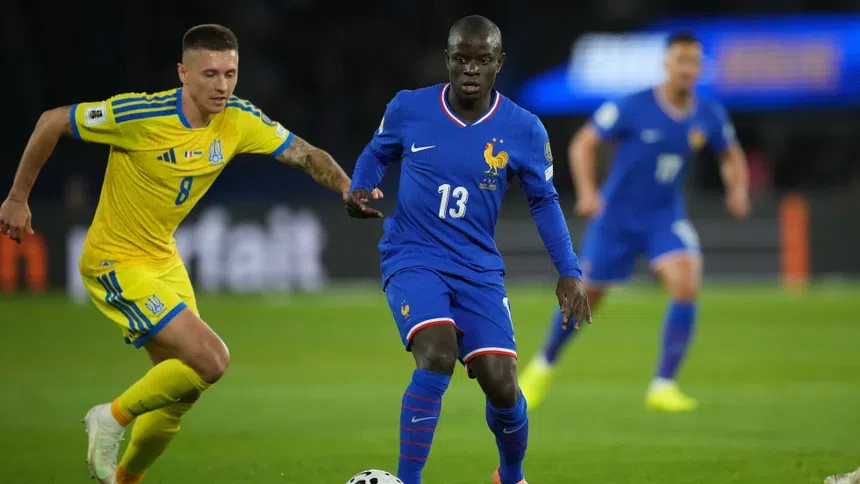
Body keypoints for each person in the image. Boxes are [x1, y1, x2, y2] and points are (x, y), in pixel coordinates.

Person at [0, 24, 359, 484]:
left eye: (230, 73)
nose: (222, 85)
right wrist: (18, 197)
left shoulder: (238, 119)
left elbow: (306, 155)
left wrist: (347, 187)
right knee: (212, 360)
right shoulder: (139, 115)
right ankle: (109, 418)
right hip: (114, 261)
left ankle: (126, 481)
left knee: (182, 391)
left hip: (163, 259)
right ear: (183, 74)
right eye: (210, 74)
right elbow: (51, 121)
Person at [346, 15, 591, 484]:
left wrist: (569, 270)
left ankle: (510, 475)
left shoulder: (524, 129)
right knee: (436, 353)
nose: (471, 69)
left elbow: (544, 200)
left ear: (499, 62)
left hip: (477, 267)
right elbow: (378, 152)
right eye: (461, 59)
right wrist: (361, 187)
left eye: (482, 60)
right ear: (447, 60)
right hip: (413, 255)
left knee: (502, 385)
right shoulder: (409, 108)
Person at [519, 32, 751, 413]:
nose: (687, 69)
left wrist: (737, 188)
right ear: (666, 63)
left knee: (686, 281)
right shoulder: (633, 106)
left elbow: (730, 153)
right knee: (587, 297)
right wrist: (588, 192)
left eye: (694, 62)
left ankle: (663, 385)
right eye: (680, 60)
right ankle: (543, 365)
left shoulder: (708, 113)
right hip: (617, 219)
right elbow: (583, 143)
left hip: (664, 215)